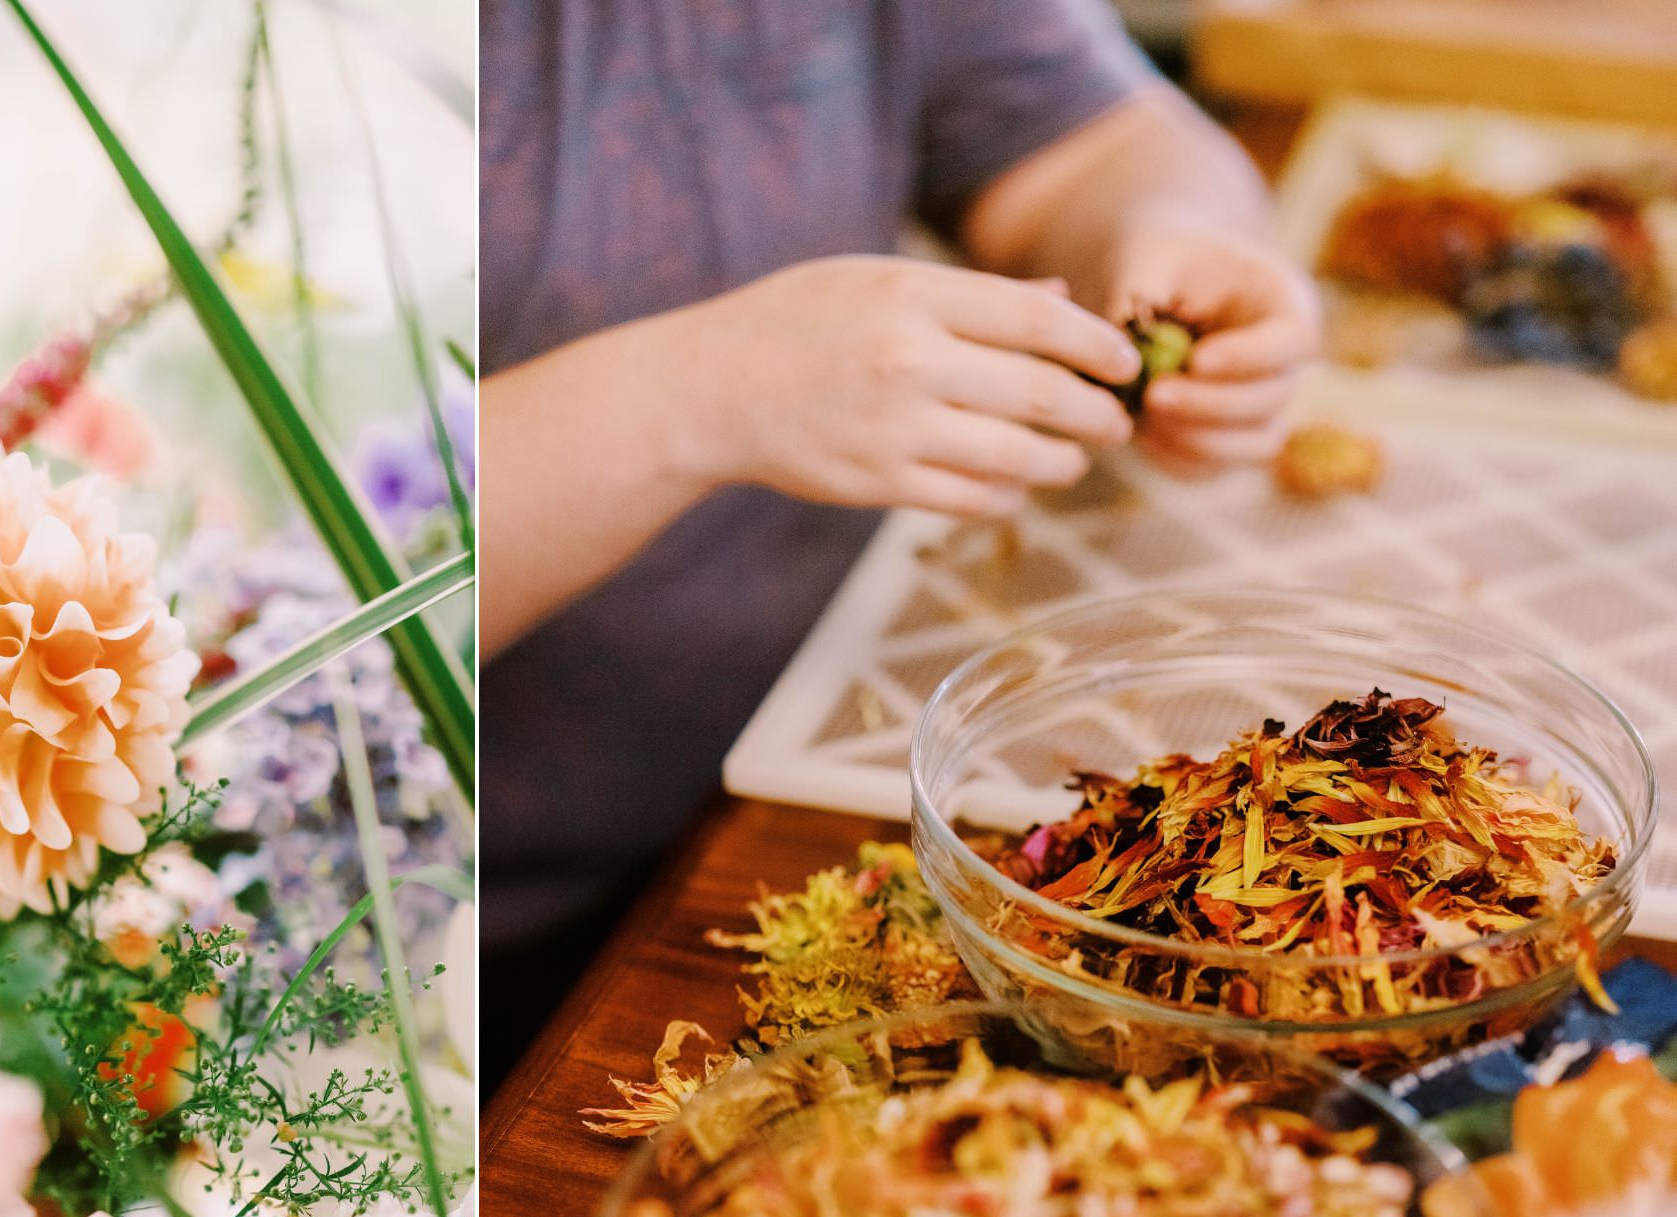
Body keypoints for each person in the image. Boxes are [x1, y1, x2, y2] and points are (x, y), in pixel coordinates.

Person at [477, 0, 1319, 1090]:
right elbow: (255, 612)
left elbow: (1095, 146)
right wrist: (691, 396)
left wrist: (1170, 234)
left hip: (821, 775)